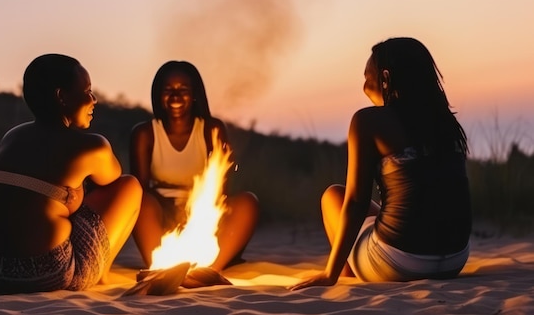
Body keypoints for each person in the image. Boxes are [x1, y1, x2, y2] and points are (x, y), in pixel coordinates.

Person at [291, 37, 472, 290]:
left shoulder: (369, 121)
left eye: (367, 78)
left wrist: (328, 275)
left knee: (334, 196)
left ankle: (342, 273)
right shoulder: (447, 125)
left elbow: (356, 202)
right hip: (455, 259)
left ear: (385, 78)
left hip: (399, 262)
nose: (364, 87)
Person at [0, 54, 142, 293]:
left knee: (60, 196)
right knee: (130, 186)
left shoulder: (12, 137)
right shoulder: (93, 146)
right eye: (87, 90)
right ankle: (100, 273)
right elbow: (112, 179)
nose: (94, 100)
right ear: (62, 96)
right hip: (44, 272)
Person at [129, 60, 259, 285]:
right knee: (140, 200)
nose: (176, 97)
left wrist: (195, 216)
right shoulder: (145, 133)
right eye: (168, 90)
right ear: (158, 95)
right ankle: (161, 267)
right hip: (162, 217)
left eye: (183, 90)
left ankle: (208, 271)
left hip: (202, 216)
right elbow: (139, 191)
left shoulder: (212, 129)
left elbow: (220, 193)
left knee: (248, 202)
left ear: (195, 95)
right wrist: (174, 215)